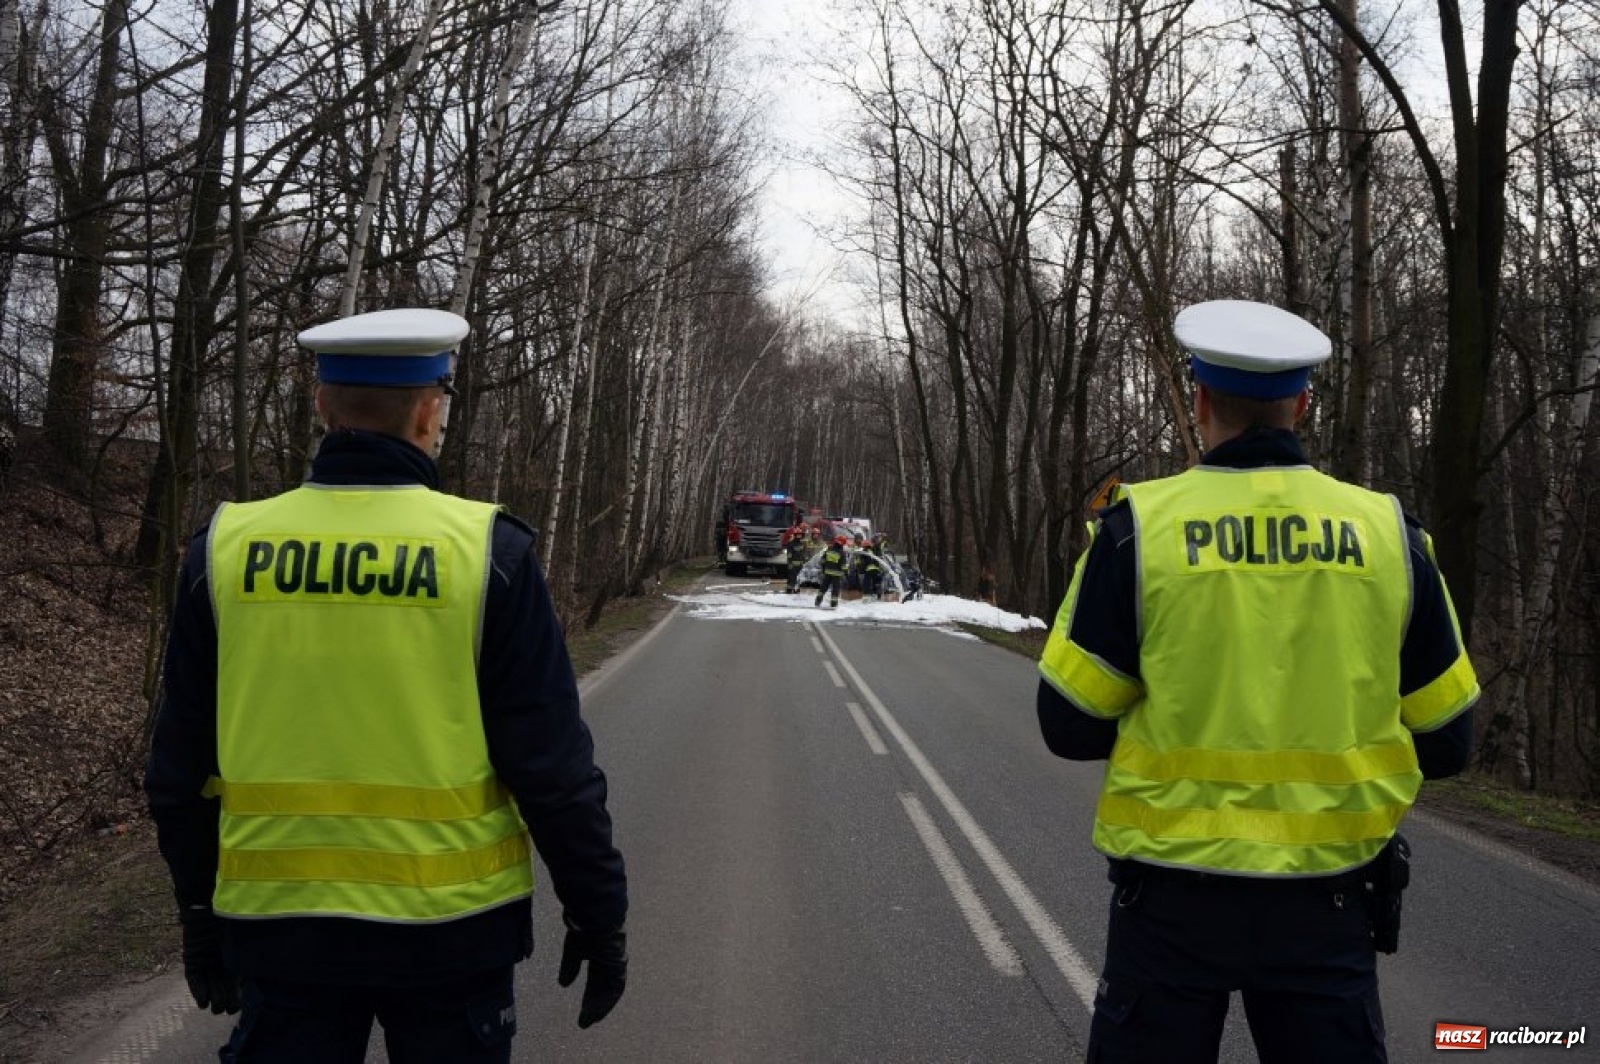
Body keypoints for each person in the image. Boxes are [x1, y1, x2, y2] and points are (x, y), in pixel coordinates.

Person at [145, 308, 629, 1062]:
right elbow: (552, 770)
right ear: (430, 411)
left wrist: (199, 910)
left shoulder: (226, 548)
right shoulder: (487, 554)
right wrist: (598, 914)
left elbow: (178, 769)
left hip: (280, 930)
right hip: (451, 937)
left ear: (320, 406)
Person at [1036, 300, 1478, 1064]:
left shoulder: (1140, 531)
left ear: (1201, 401)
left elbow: (1068, 724)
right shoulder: (1388, 535)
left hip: (1170, 904)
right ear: (1303, 405)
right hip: (1328, 903)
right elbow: (1448, 742)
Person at [814, 535, 849, 608]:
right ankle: (833, 603)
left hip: (827, 573)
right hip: (837, 574)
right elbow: (843, 566)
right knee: (835, 589)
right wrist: (846, 575)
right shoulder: (842, 553)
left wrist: (823, 570)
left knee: (823, 587)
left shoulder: (829, 549)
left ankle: (818, 600)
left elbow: (822, 561)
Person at [782, 519, 810, 593]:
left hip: (800, 565)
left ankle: (797, 590)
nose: (799, 536)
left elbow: (804, 554)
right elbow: (789, 554)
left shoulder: (802, 544)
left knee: (799, 578)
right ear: (795, 535)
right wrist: (789, 563)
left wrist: (805, 562)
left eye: (800, 535)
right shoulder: (791, 543)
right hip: (793, 565)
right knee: (791, 578)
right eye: (798, 534)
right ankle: (789, 590)